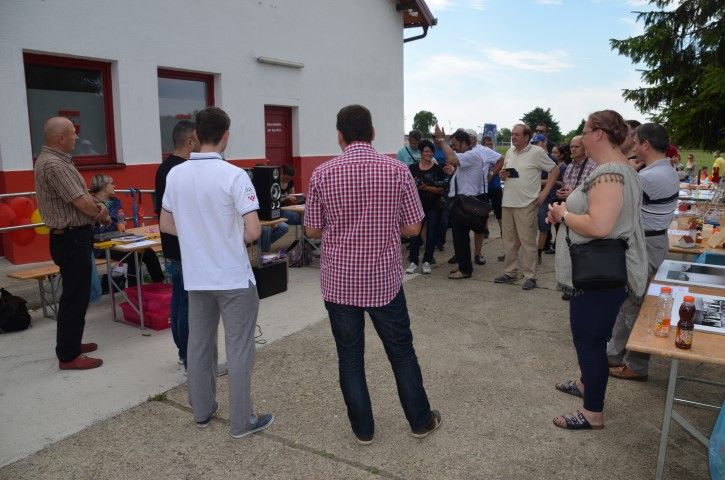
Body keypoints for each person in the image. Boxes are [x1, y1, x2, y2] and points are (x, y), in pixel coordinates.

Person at [305, 104, 440, 444]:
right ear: (373, 133)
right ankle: (420, 421)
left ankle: (363, 430)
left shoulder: (322, 173)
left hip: (339, 282)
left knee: (350, 358)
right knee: (401, 352)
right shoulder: (397, 171)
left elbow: (312, 230)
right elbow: (413, 228)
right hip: (383, 281)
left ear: (340, 135)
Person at [160, 106, 273, 438]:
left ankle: (202, 409)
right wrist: (223, 238)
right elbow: (253, 231)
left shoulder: (176, 174)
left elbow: (166, 224)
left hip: (197, 276)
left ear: (196, 135)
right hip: (232, 276)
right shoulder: (234, 176)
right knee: (239, 347)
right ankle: (241, 422)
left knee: (199, 345)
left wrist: (199, 238)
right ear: (226, 136)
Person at [547, 110, 647, 430]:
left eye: (585, 130)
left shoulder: (609, 173)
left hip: (599, 273)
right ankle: (586, 383)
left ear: (598, 134)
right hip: (604, 272)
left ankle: (592, 413)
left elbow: (600, 226)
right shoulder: (622, 169)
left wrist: (563, 215)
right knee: (592, 335)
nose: (582, 136)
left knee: (589, 340)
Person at [34, 117, 110, 370]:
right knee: (74, 296)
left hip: (73, 236)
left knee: (77, 294)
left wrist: (96, 205)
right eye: (72, 133)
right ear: (60, 138)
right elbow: (81, 202)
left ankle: (72, 343)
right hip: (71, 237)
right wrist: (101, 212)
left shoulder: (59, 161)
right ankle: (68, 355)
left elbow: (83, 195)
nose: (77, 137)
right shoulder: (54, 164)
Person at [607, 123, 680, 381]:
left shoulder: (648, 177)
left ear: (646, 144)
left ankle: (631, 363)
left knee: (632, 303)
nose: (634, 147)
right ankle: (618, 355)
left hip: (645, 245)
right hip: (654, 241)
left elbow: (615, 200)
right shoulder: (665, 170)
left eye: (636, 142)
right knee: (637, 302)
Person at [154, 120, 200, 368]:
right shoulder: (180, 170)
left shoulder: (164, 168)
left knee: (179, 298)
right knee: (186, 302)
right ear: (190, 142)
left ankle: (183, 351)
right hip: (182, 246)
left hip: (173, 245)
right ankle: (188, 354)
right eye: (199, 139)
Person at [495, 124, 558, 290]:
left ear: (526, 137)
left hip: (527, 204)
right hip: (508, 202)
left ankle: (531, 276)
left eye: (517, 134)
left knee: (527, 241)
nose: (513, 137)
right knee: (509, 241)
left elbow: (554, 170)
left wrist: (544, 194)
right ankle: (510, 272)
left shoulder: (537, 152)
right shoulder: (509, 152)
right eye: (512, 134)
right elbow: (506, 174)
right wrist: (502, 174)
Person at [434, 127, 502, 279]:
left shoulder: (472, 155)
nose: (453, 147)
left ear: (464, 144)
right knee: (460, 237)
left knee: (461, 237)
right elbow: (457, 164)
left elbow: (451, 157)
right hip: (461, 201)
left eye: (455, 144)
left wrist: (441, 140)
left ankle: (465, 269)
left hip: (464, 202)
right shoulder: (468, 155)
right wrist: (453, 172)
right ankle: (463, 265)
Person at [91, 175, 164, 287]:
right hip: (100, 245)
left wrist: (121, 222)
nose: (114, 186)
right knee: (134, 256)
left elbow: (120, 219)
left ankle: (160, 286)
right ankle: (135, 291)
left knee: (148, 252)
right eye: (111, 183)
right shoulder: (91, 203)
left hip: (117, 240)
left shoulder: (115, 201)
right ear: (103, 186)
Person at [405, 139, 445, 274]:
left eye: (431, 151)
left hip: (433, 205)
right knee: (414, 234)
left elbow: (441, 190)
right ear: (421, 153)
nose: (429, 153)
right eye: (426, 151)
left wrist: (425, 187)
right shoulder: (412, 168)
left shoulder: (437, 169)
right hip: (416, 206)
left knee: (431, 233)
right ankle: (413, 261)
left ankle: (427, 261)